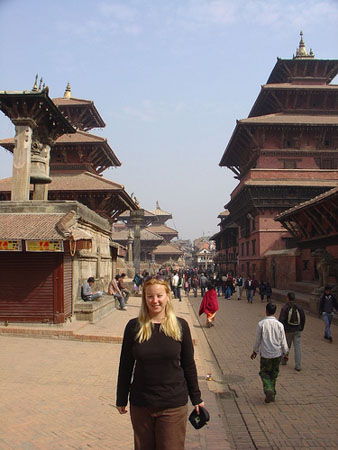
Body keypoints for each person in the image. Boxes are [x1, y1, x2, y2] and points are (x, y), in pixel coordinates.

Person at [116, 277, 204, 450]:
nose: (155, 301)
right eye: (150, 296)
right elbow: (126, 365)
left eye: (159, 295)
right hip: (142, 403)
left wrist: (196, 398)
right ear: (144, 298)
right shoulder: (134, 327)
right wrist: (121, 397)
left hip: (173, 404)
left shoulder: (180, 326)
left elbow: (188, 364)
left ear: (167, 297)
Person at [251, 303, 289, 403]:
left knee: (264, 373)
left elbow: (258, 339)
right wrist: (286, 352)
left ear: (266, 311)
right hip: (277, 354)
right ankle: (272, 392)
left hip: (265, 354)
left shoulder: (261, 324)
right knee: (274, 374)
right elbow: (283, 340)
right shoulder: (280, 325)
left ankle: (268, 390)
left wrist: (255, 351)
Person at [279, 292, 306, 371]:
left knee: (286, 346)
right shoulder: (299, 307)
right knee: (297, 347)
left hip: (288, 330)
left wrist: (281, 330)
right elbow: (303, 318)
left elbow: (282, 319)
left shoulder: (285, 307)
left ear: (288, 298)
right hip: (297, 329)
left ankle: (284, 360)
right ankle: (298, 365)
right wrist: (301, 327)